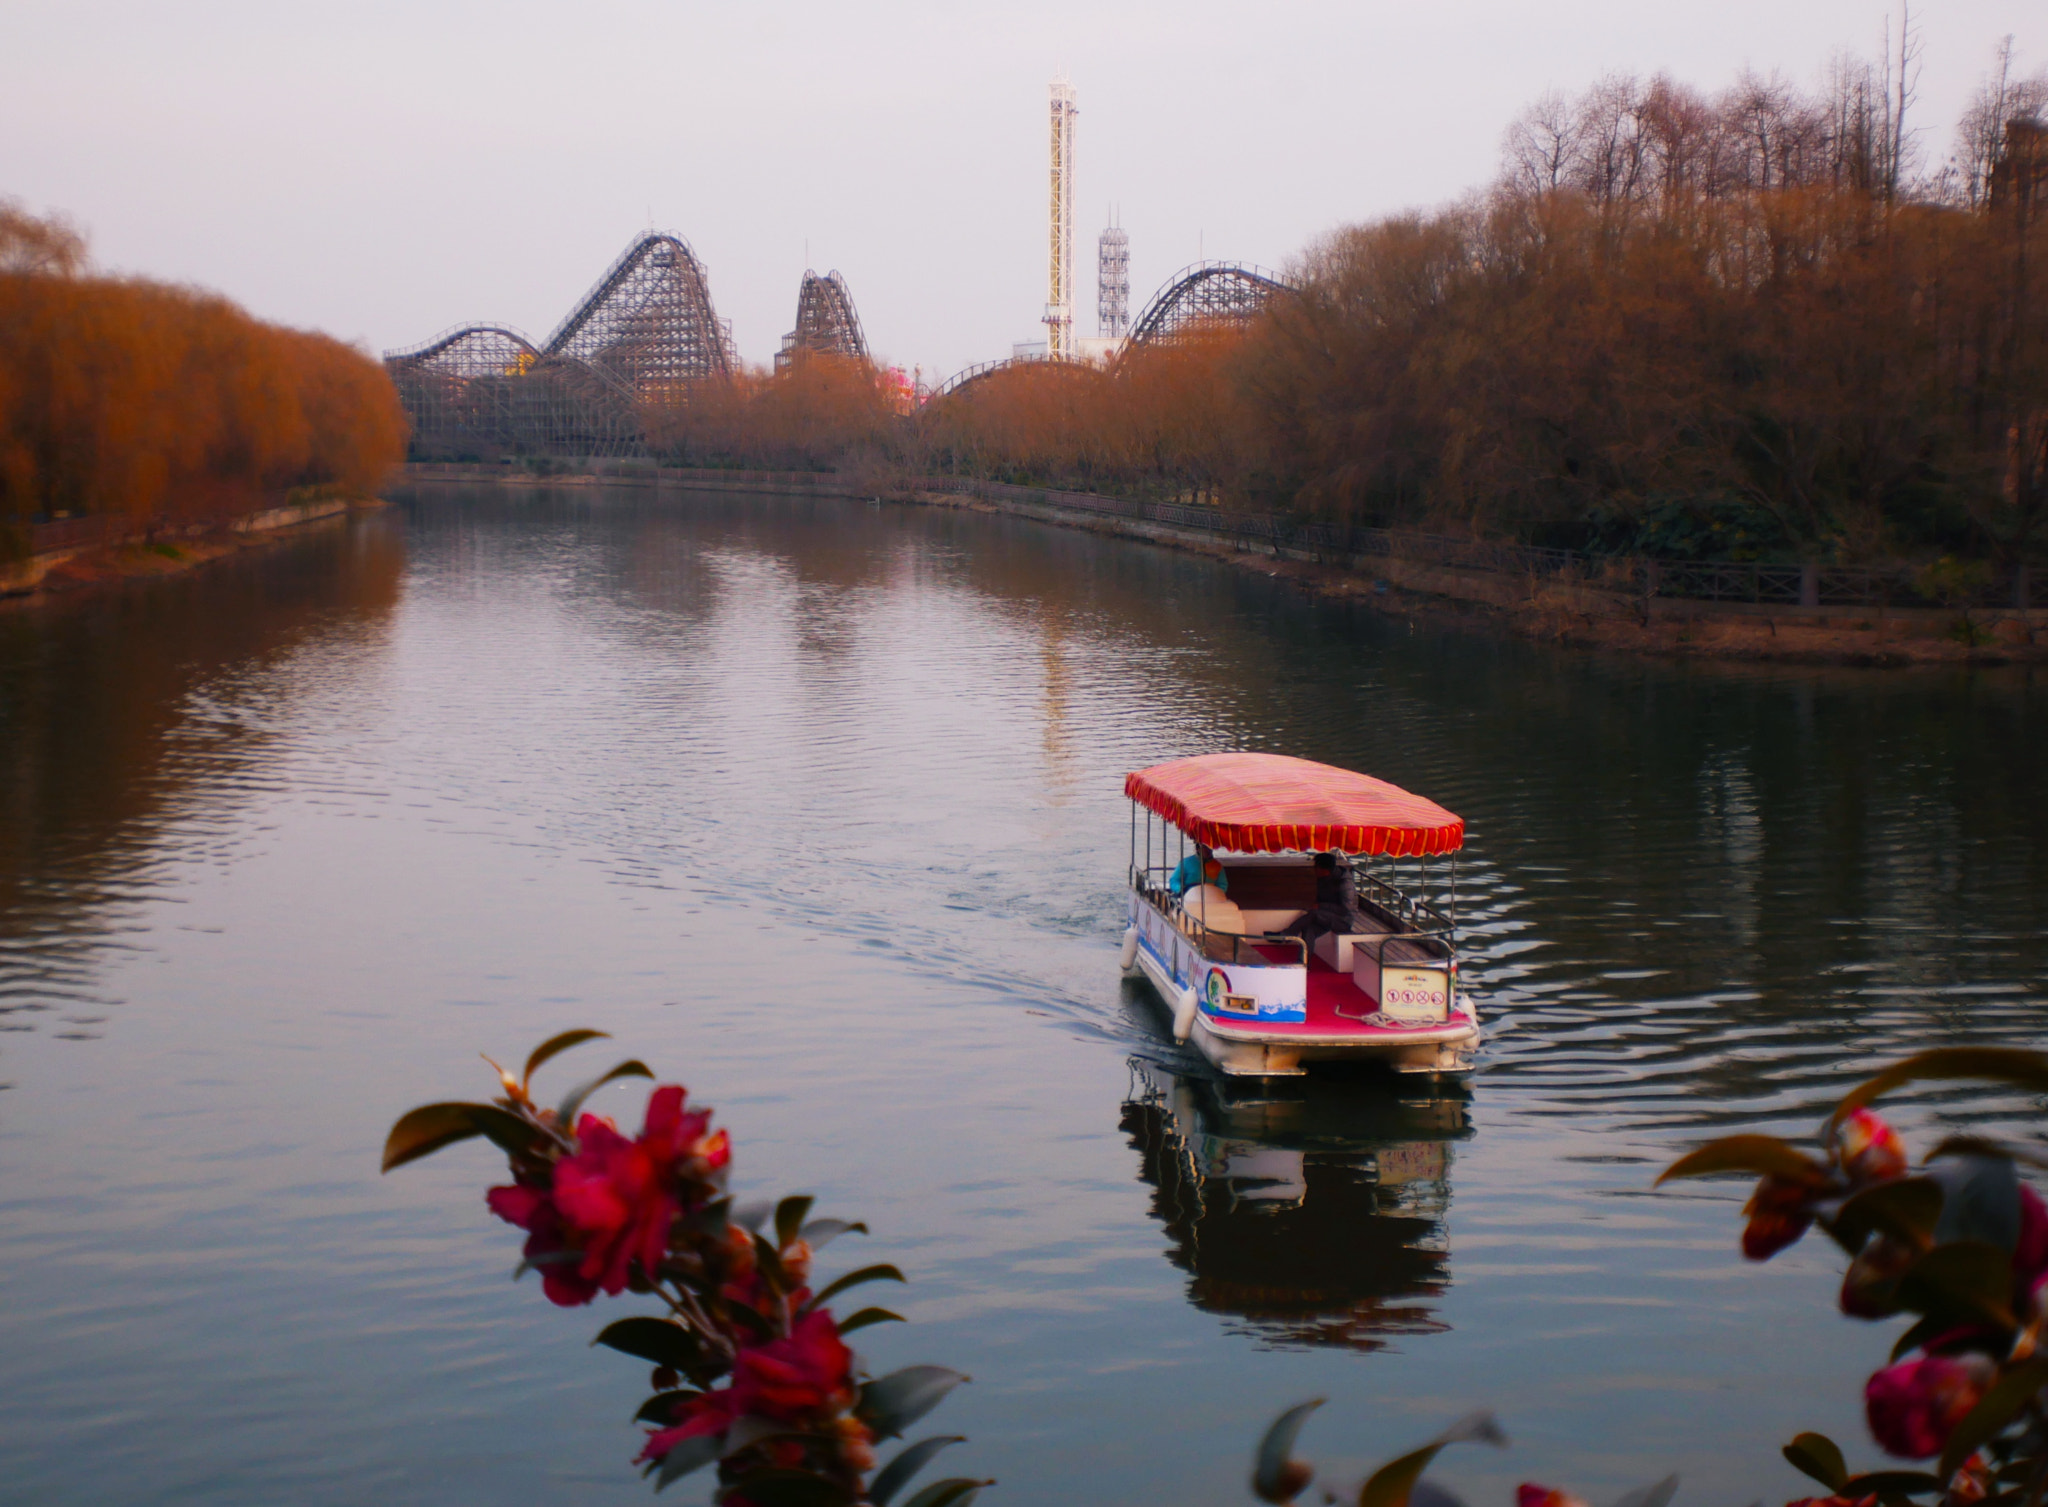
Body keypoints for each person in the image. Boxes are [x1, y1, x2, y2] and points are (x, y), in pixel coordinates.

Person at [1292, 851, 1360, 946]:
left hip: (1343, 920)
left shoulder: (1345, 885)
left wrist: (1320, 906)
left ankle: (1286, 935)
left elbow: (1346, 910)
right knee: (1308, 930)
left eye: (1316, 867)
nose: (1314, 870)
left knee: (1313, 914)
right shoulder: (1325, 878)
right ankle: (1304, 959)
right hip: (1329, 915)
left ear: (1324, 869)